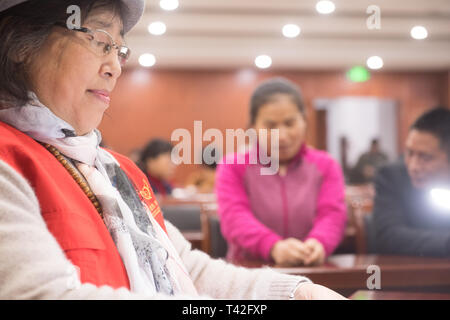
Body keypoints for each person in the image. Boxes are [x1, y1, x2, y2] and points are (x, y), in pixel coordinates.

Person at [0, 0, 345, 299]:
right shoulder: (9, 159)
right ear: (21, 43)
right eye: (101, 41)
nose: (116, 67)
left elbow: (188, 269)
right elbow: (43, 295)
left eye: (119, 50)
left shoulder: (118, 172)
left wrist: (295, 292)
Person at [215, 78, 347, 267]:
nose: (282, 136)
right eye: (271, 126)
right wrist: (273, 246)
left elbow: (332, 214)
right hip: (250, 273)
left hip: (311, 270)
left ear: (304, 121)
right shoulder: (233, 166)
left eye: (290, 123)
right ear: (252, 127)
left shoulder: (326, 165)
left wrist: (319, 242)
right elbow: (234, 217)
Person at [373, 107, 450, 257]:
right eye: (409, 153)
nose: (413, 166)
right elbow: (389, 237)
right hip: (409, 275)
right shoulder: (391, 177)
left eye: (426, 157)